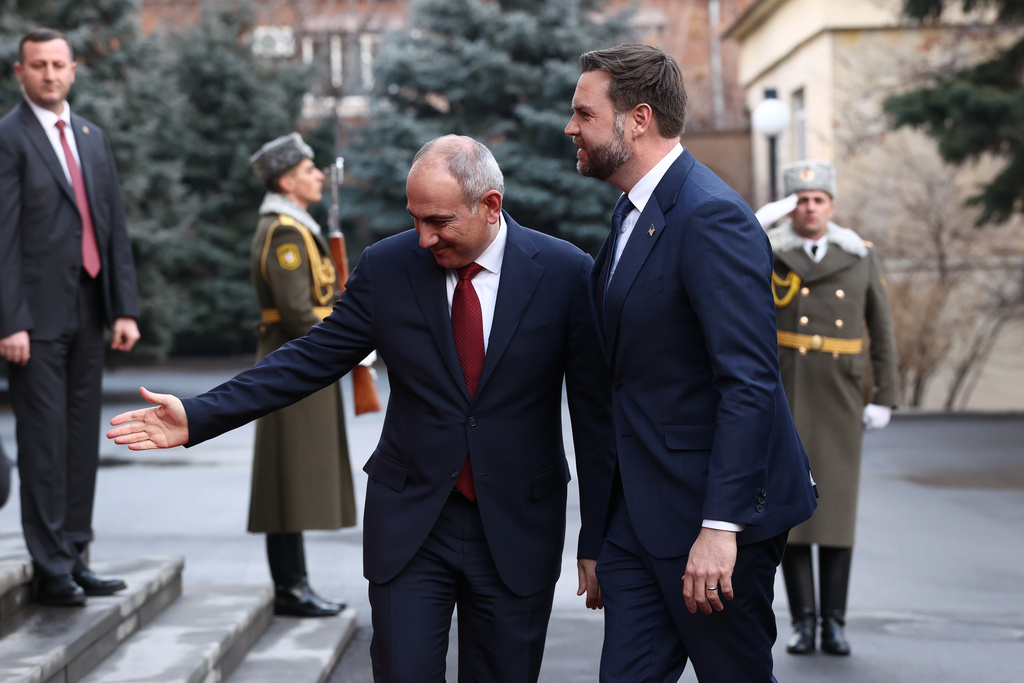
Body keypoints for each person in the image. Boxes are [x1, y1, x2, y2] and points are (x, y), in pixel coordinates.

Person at [107, 135, 616, 682]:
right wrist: (200, 414)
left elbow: (594, 414)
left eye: (439, 221)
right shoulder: (388, 267)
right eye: (415, 218)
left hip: (519, 528)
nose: (423, 238)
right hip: (413, 525)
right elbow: (310, 357)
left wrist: (597, 540)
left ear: (490, 206)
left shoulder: (565, 273)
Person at [564, 43, 818, 682]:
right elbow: (620, 383)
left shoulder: (710, 215)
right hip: (639, 522)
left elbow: (750, 380)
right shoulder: (632, 214)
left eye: (584, 114)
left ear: (638, 119)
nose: (570, 128)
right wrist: (600, 535)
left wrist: (720, 527)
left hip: (712, 528)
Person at [0, 28, 140, 607]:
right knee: (43, 443)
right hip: (33, 320)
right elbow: (2, 236)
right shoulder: (8, 138)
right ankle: (51, 565)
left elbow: (111, 225)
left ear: (74, 70)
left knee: (82, 439)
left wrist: (125, 308)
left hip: (90, 309)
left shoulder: (90, 136)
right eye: (38, 65)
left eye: (59, 64)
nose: (50, 74)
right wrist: (10, 320)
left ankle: (77, 553)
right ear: (20, 72)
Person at [768, 160, 899, 656]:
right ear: (790, 208)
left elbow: (881, 330)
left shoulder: (858, 256)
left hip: (842, 394)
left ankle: (835, 623)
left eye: (818, 199)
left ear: (831, 206)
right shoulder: (772, 250)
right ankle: (803, 622)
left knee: (838, 512)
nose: (809, 209)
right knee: (795, 512)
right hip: (790, 390)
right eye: (800, 201)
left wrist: (885, 395)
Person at [246, 133, 357, 617]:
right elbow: (296, 310)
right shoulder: (285, 231)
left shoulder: (294, 224)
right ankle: (290, 588)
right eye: (310, 170)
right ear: (287, 181)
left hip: (299, 358)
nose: (318, 177)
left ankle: (296, 583)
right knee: (286, 479)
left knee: (290, 478)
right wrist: (349, 339)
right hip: (294, 360)